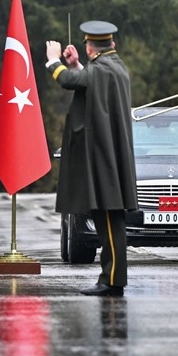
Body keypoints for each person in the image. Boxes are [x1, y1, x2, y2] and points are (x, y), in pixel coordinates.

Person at [45, 21, 137, 297]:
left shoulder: (102, 69)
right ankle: (110, 277)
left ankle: (112, 280)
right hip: (109, 157)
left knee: (108, 220)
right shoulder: (112, 67)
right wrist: (75, 65)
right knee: (109, 220)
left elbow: (69, 81)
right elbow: (87, 80)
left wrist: (53, 61)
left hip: (103, 159)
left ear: (89, 47)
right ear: (112, 43)